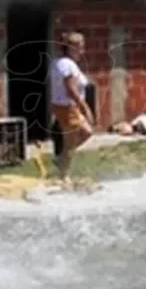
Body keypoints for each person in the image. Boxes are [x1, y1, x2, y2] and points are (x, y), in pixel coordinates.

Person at [49, 31, 94, 184]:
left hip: (64, 106)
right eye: (80, 48)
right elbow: (70, 89)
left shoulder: (59, 62)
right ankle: (64, 175)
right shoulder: (68, 65)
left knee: (87, 132)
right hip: (68, 107)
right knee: (69, 143)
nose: (82, 52)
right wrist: (85, 108)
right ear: (71, 48)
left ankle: (61, 161)